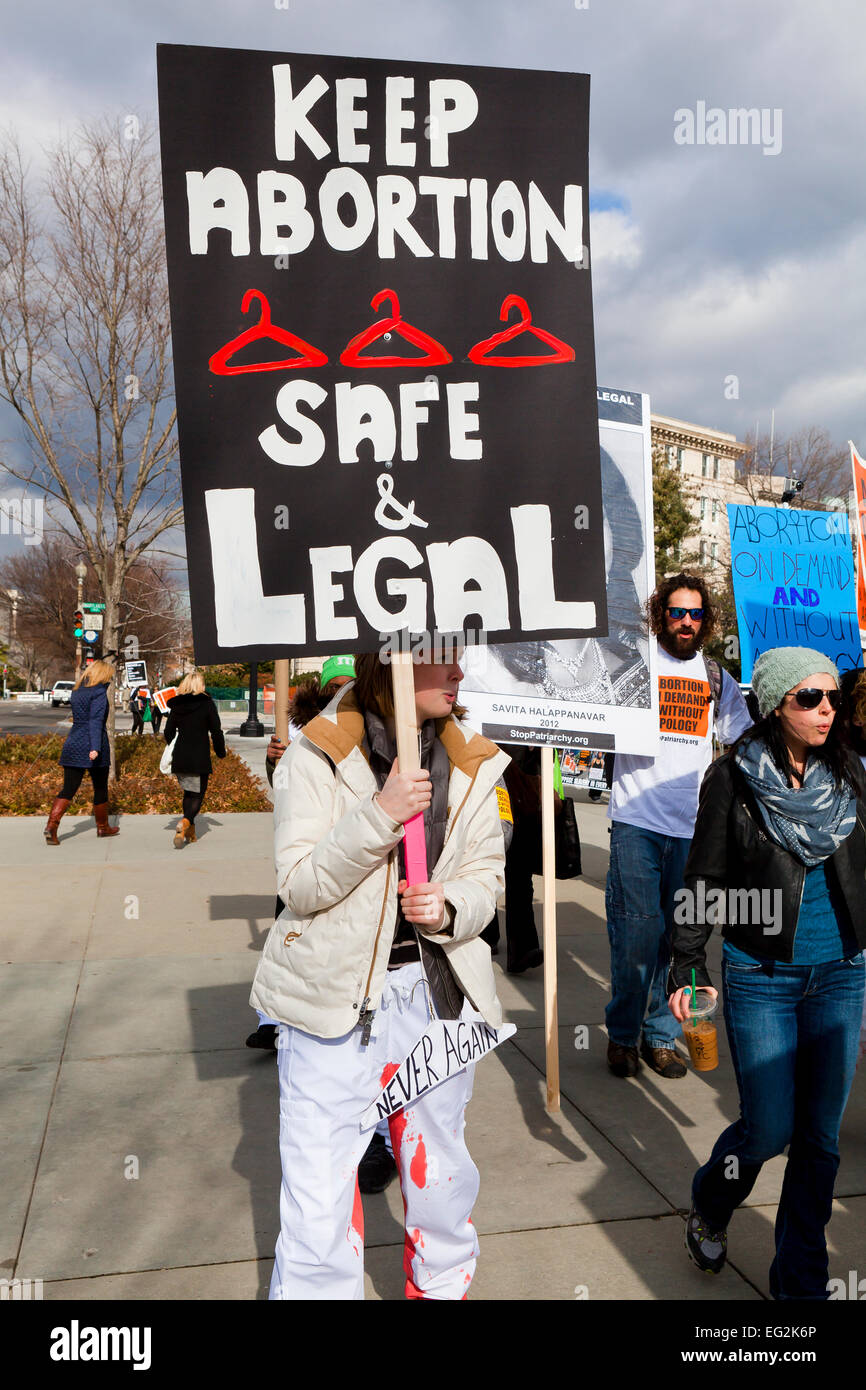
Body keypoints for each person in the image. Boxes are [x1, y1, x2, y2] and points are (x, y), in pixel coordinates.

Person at [250, 649, 511, 1299]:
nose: (458, 674)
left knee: (440, 1182)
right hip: (331, 1001)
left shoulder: (474, 760)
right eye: (441, 659)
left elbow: (487, 882)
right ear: (393, 662)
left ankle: (442, 1291)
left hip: (436, 999)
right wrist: (381, 813)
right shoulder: (319, 754)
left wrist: (451, 905)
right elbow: (300, 885)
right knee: (318, 1198)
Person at [668, 647, 866, 1298]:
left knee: (818, 1140)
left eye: (830, 698)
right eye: (809, 699)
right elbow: (705, 875)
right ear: (776, 703)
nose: (825, 711)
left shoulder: (851, 771)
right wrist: (689, 967)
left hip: (842, 972)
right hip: (762, 975)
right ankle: (712, 1200)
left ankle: (800, 1287)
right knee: (767, 1129)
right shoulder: (733, 780)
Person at [605, 573, 751, 1079]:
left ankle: (661, 1037)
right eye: (675, 612)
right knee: (637, 937)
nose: (685, 622)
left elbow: (743, 741)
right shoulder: (636, 666)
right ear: (659, 615)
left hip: (693, 832)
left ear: (704, 620)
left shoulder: (716, 678)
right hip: (635, 822)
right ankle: (623, 1036)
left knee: (679, 941)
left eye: (694, 614)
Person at [45, 659, 119, 843]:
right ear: (103, 674)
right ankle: (103, 827)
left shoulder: (77, 690)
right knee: (100, 787)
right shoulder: (99, 692)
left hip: (74, 741)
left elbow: (82, 717)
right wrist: (95, 747)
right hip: (94, 743)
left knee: (69, 788)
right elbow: (95, 720)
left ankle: (51, 826)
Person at [163, 670, 226, 847]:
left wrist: (173, 743)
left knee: (188, 792)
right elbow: (216, 730)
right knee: (198, 794)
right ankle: (185, 822)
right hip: (199, 755)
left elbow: (168, 732)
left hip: (181, 755)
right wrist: (221, 752)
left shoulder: (177, 706)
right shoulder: (207, 704)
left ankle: (190, 831)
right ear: (201, 686)